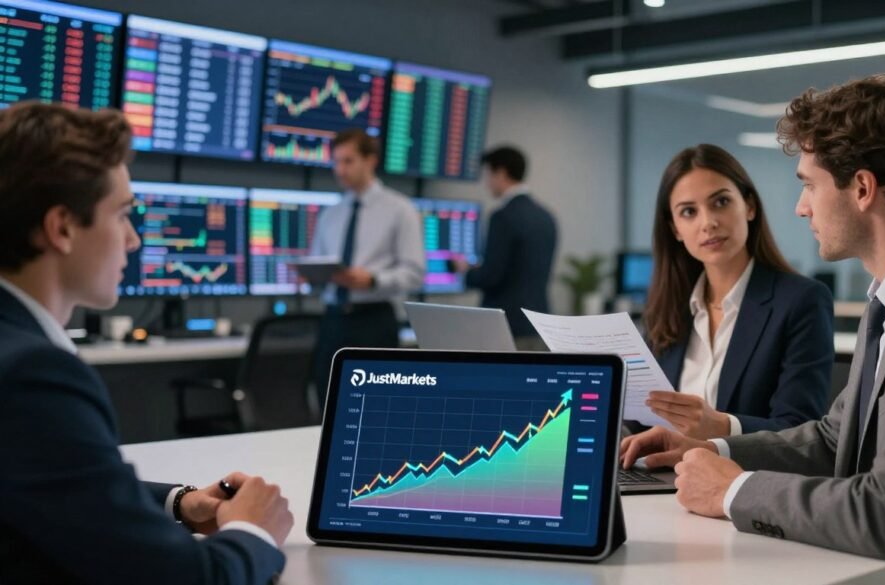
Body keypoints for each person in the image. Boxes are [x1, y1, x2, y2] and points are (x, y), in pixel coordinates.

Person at [621, 75, 885, 584]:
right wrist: (711, 450)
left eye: (809, 184)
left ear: (861, 188)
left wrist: (732, 489)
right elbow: (836, 440)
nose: (801, 206)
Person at [0, 102, 293, 584]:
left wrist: (179, 502)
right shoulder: (33, 375)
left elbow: (55, 479)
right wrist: (255, 531)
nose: (133, 240)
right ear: (62, 227)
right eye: (121, 215)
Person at [636, 144, 833, 442]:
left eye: (721, 202)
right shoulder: (667, 308)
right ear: (675, 229)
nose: (708, 223)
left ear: (749, 206)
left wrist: (721, 426)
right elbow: (641, 421)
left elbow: (800, 431)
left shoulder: (801, 302)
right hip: (663, 479)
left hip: (743, 481)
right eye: (689, 212)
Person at [310, 128, 425, 404]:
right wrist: (311, 274)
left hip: (374, 321)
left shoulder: (400, 209)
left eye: (348, 161)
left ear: (370, 160)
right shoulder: (331, 213)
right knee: (328, 402)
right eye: (336, 162)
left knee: (374, 407)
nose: (340, 170)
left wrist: (373, 280)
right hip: (333, 320)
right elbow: (318, 262)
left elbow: (414, 272)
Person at [452, 146, 557, 340]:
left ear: (500, 173)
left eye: (488, 175)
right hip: (540, 325)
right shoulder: (546, 217)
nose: (487, 183)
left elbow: (492, 276)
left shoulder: (503, 217)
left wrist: (466, 270)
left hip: (506, 326)